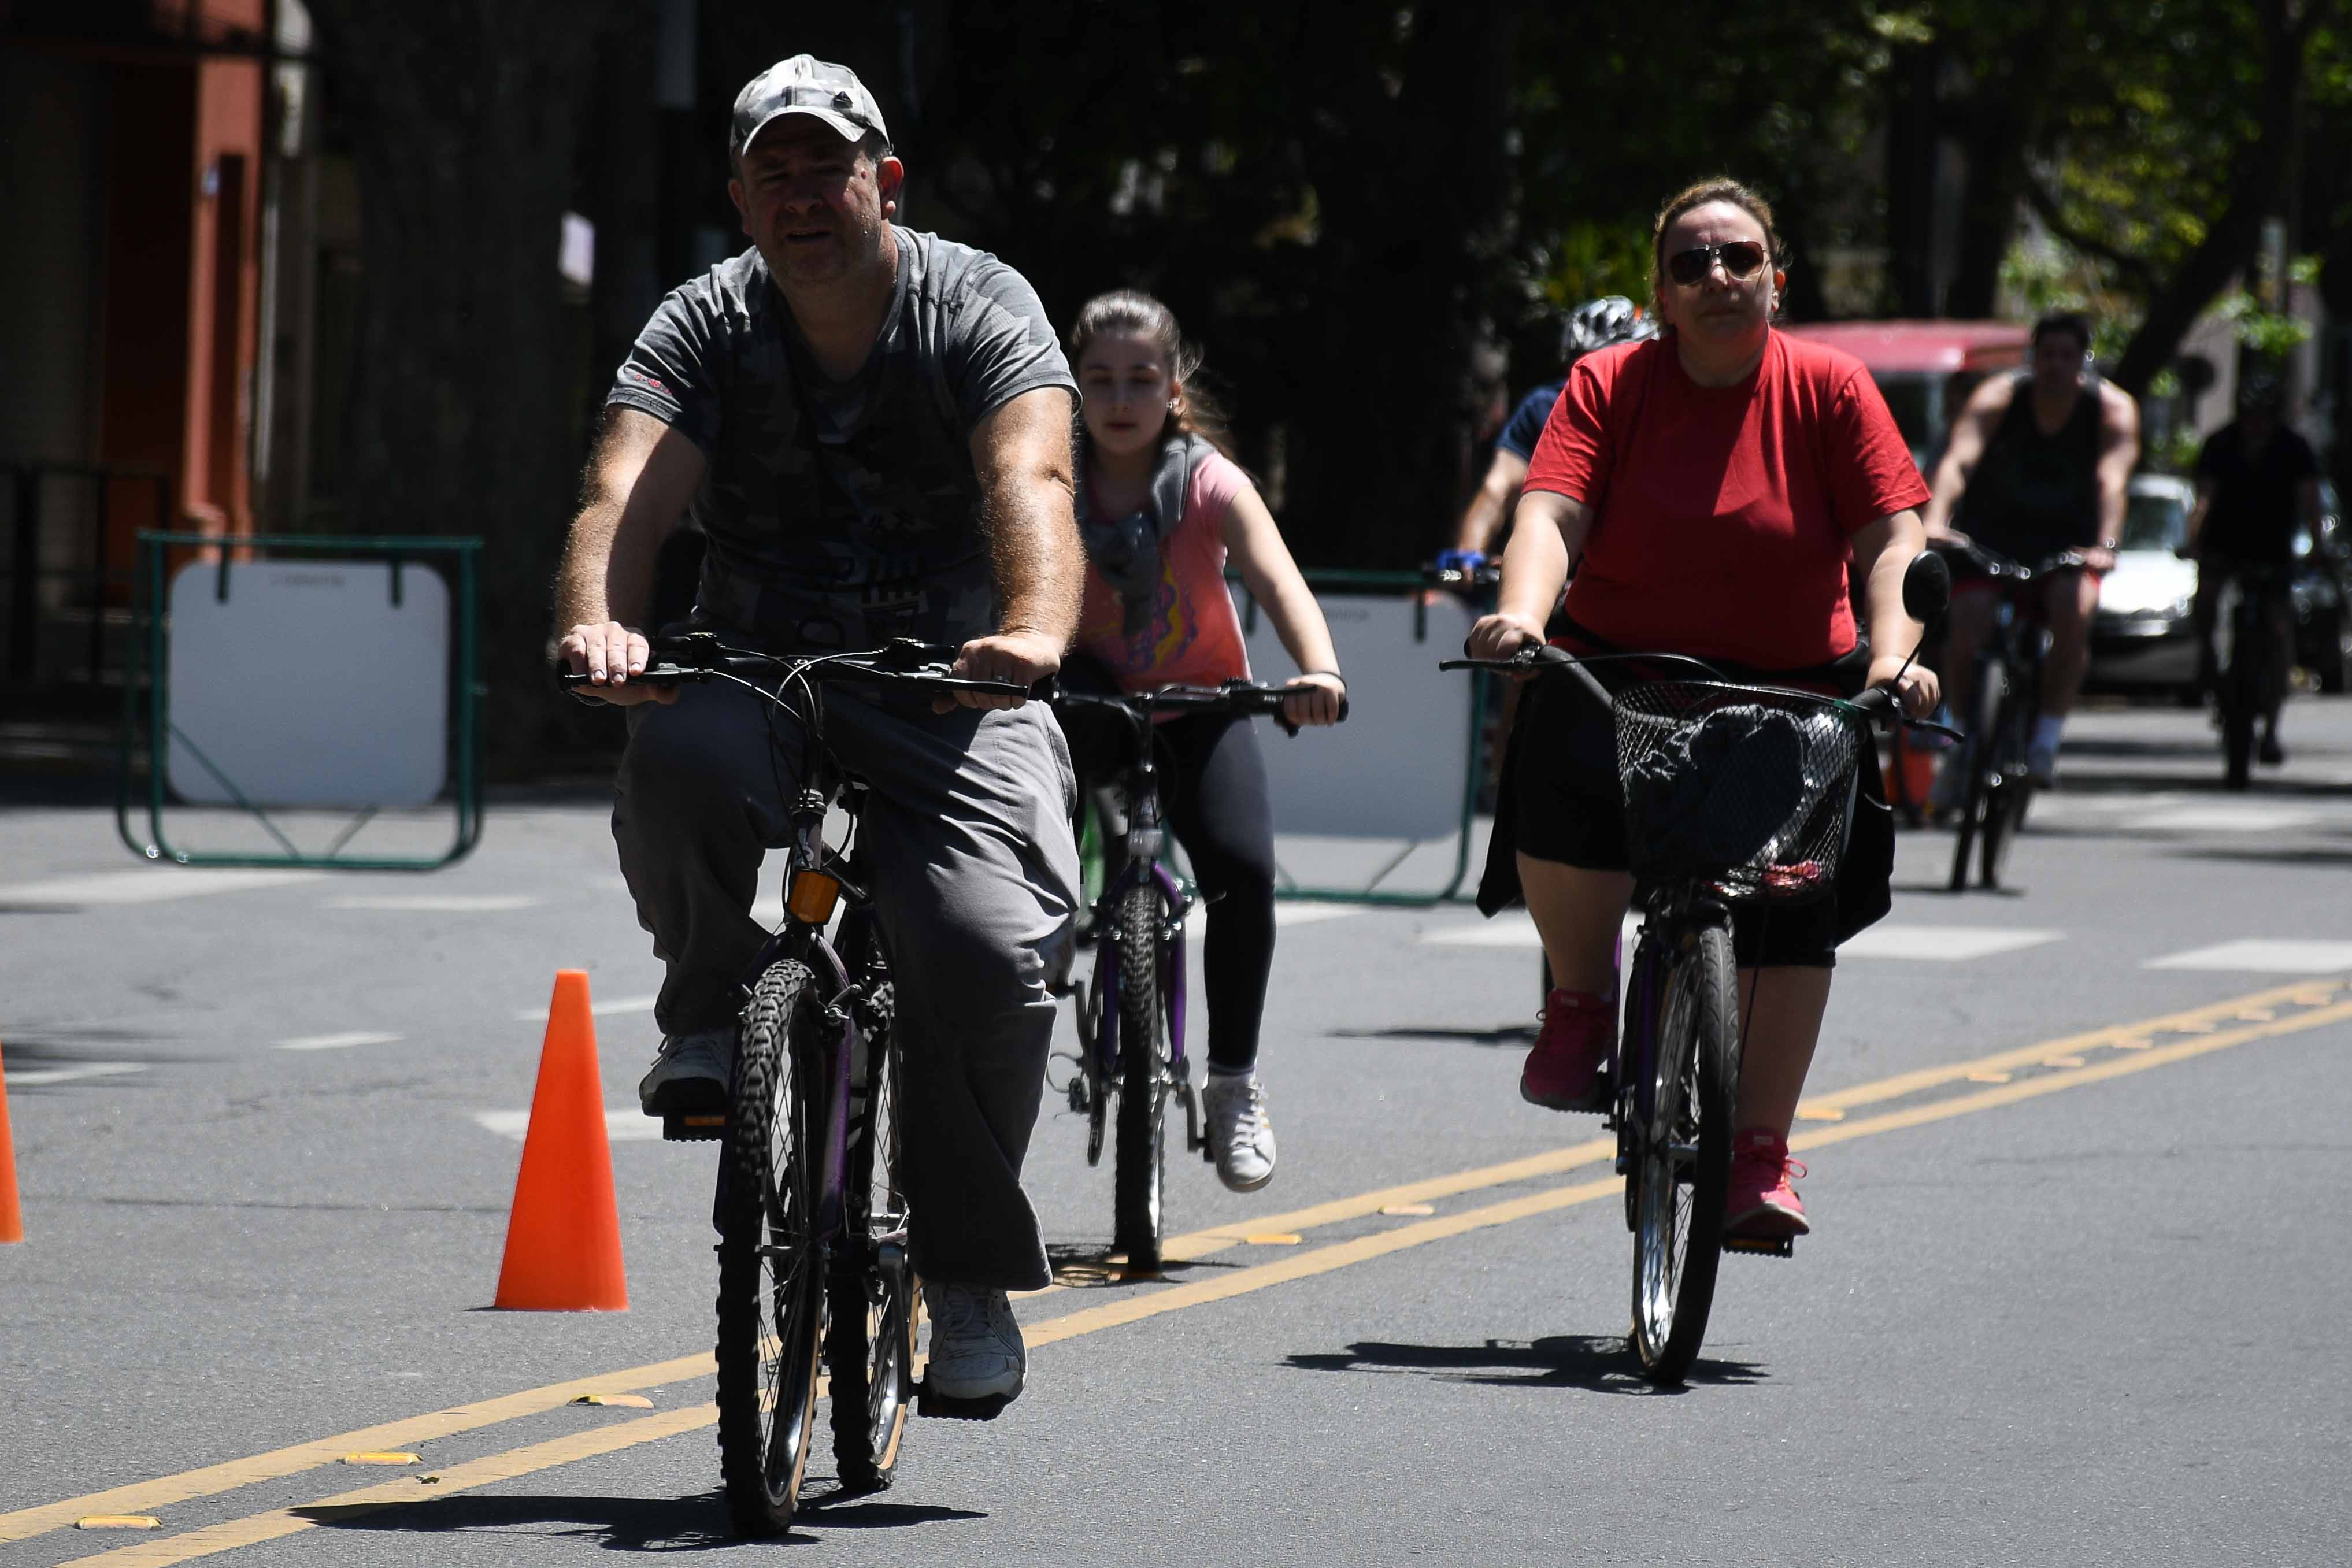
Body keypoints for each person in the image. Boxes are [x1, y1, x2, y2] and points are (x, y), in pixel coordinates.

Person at [553, 55, 1080, 1409]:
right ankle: (716, 1016)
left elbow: (1032, 472)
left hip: (956, 678)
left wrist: (1030, 631)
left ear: (882, 180)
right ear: (739, 197)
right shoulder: (705, 323)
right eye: (771, 173)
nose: (801, 195)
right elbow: (626, 491)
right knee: (675, 749)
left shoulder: (975, 302)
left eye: (826, 167)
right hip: (758, 662)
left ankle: (961, 1269)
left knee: (989, 949)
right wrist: (605, 625)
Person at [1463, 177, 1939, 1240]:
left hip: (1789, 682)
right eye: (1690, 264)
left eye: (1737, 259)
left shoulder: (1830, 387)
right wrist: (1519, 617)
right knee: (1556, 745)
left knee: (1795, 896)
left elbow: (1892, 542)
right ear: (1659, 295)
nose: (1715, 278)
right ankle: (1582, 1000)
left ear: (1777, 277)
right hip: (1622, 664)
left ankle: (1757, 1156)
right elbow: (1548, 511)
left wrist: (1895, 657)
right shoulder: (1606, 383)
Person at [1059, 290, 1344, 1193]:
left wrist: (1319, 671)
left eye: (1140, 379)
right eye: (1098, 378)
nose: (1119, 397)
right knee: (1015, 875)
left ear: (1173, 389)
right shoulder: (1047, 478)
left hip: (1203, 707)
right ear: (1071, 385)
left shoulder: (1209, 480)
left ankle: (1231, 1084)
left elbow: (1281, 580)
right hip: (1087, 702)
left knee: (1245, 872)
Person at [1921, 312, 2140, 790]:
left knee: (2073, 609)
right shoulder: (1999, 396)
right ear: (2032, 357)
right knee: (1968, 619)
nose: (2056, 366)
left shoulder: (2111, 408)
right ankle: (1961, 736)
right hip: (1991, 534)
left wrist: (2105, 543)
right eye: (2046, 355)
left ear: (2083, 361)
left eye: (2067, 356)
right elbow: (1958, 459)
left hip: (2068, 543)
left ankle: (2045, 738)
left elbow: (2112, 479)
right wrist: (1936, 521)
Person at [1436, 296, 1660, 577]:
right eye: (1582, 370)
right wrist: (1469, 555)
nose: (1593, 383)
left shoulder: (1670, 409)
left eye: (1612, 368)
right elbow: (1498, 488)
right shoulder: (1544, 406)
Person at [2181, 375, 2325, 765]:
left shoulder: (2293, 448)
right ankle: (2206, 666)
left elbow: (2310, 502)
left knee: (2279, 629)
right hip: (2223, 545)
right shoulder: (2219, 443)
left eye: (2262, 415)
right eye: (2249, 415)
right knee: (2207, 599)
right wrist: (2191, 540)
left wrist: (2317, 547)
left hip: (2272, 549)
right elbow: (2204, 498)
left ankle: (2272, 730)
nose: (2254, 423)